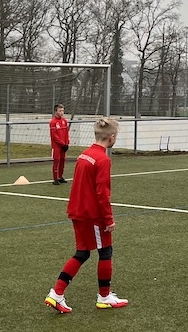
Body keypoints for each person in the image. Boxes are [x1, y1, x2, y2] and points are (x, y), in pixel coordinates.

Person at [45, 117, 129, 313]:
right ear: (112, 137)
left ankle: (56, 293)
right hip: (92, 215)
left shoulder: (84, 154)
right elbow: (102, 193)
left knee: (82, 253)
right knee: (105, 251)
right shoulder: (103, 159)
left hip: (77, 211)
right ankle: (104, 296)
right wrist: (108, 219)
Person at [49, 104, 70, 185]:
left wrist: (67, 143)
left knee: (62, 161)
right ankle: (55, 178)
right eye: (60, 111)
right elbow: (54, 136)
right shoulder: (53, 122)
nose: (62, 112)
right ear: (56, 111)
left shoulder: (64, 121)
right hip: (56, 146)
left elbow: (66, 133)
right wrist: (62, 144)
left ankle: (60, 176)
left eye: (63, 110)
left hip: (63, 145)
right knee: (56, 161)